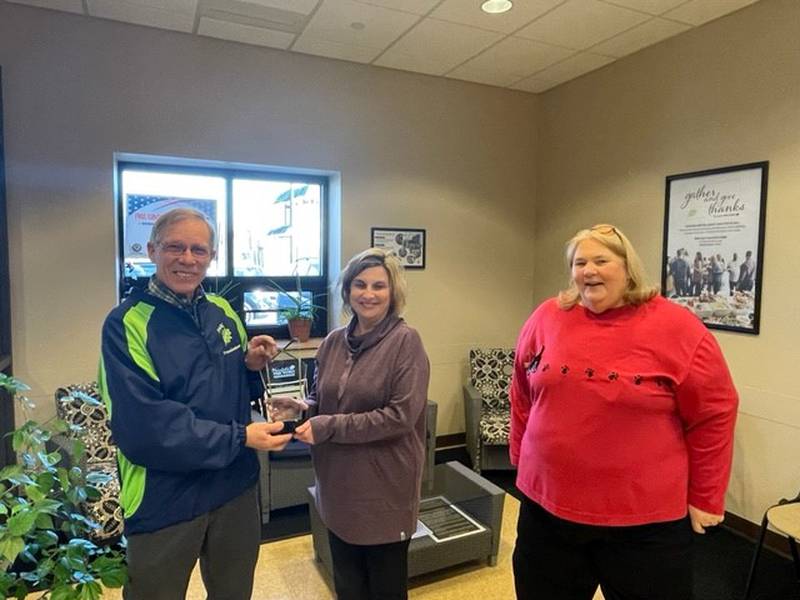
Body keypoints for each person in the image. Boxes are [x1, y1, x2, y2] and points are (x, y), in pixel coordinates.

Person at [510, 224, 738, 600]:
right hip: (546, 511)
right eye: (579, 262)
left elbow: (714, 413)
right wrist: (520, 455)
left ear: (628, 267)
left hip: (642, 524)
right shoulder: (547, 316)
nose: (589, 270)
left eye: (601, 260)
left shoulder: (677, 327)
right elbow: (521, 390)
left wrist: (706, 496)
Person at [100, 208, 293, 600]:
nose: (187, 259)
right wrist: (241, 436)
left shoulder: (221, 312)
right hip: (165, 496)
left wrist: (250, 366)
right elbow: (146, 427)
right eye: (175, 247)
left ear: (212, 256)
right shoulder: (126, 324)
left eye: (198, 250)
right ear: (152, 250)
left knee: (234, 593)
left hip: (233, 486)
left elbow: (228, 387)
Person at [293, 248, 430, 600]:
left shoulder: (406, 342)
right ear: (347, 290)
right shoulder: (333, 342)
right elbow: (320, 399)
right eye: (360, 284)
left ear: (393, 294)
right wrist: (300, 407)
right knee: (348, 585)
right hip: (337, 486)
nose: (368, 294)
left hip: (382, 489)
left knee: (384, 588)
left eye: (379, 286)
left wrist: (328, 426)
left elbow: (400, 417)